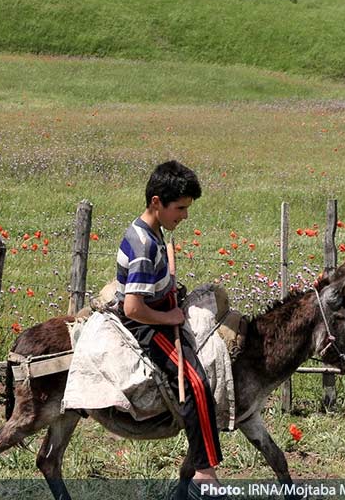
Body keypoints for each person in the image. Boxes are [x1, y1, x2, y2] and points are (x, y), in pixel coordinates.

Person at [115, 160, 223, 495]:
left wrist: (169, 291)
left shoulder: (154, 230)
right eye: (180, 208)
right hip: (146, 324)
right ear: (156, 202)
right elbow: (134, 307)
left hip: (159, 307)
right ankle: (205, 471)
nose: (185, 216)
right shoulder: (144, 246)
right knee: (195, 381)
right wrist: (169, 317)